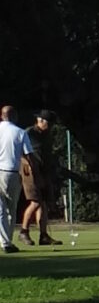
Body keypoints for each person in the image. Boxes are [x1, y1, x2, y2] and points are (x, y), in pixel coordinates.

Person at [17, 113, 54, 246]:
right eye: (49, 123)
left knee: (43, 203)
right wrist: (29, 168)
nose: (50, 127)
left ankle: (43, 236)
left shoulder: (47, 135)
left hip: (44, 172)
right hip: (30, 172)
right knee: (35, 201)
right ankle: (23, 231)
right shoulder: (28, 133)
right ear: (40, 120)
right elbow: (21, 152)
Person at [0, 104, 25, 253]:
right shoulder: (19, 132)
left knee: (1, 210)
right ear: (14, 116)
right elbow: (28, 154)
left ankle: (5, 242)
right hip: (10, 173)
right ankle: (7, 242)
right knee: (11, 209)